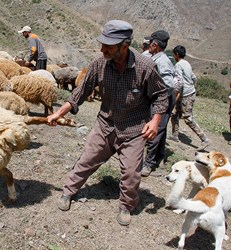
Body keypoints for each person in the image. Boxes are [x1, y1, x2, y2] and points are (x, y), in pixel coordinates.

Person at [47, 20, 168, 226]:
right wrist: (59, 112)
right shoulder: (99, 63)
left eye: (108, 45)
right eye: (102, 43)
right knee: (86, 160)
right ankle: (68, 192)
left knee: (131, 173)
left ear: (125, 45)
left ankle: (126, 206)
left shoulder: (145, 67)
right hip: (105, 125)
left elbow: (161, 95)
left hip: (133, 130)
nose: (102, 49)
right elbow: (80, 92)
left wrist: (155, 121)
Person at [141, 30, 176, 177]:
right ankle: (160, 155)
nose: (148, 45)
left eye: (150, 43)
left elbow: (168, 86)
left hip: (164, 99)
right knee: (162, 128)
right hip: (160, 98)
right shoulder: (153, 56)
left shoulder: (163, 62)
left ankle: (148, 164)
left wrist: (156, 98)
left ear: (155, 45)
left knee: (156, 128)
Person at [169, 45, 210, 150]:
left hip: (185, 95)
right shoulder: (187, 63)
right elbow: (194, 77)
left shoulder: (178, 65)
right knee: (174, 114)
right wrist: (191, 88)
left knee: (188, 118)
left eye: (174, 54)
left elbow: (180, 82)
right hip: (188, 93)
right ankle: (174, 135)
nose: (174, 56)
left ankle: (204, 139)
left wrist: (175, 95)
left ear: (177, 54)